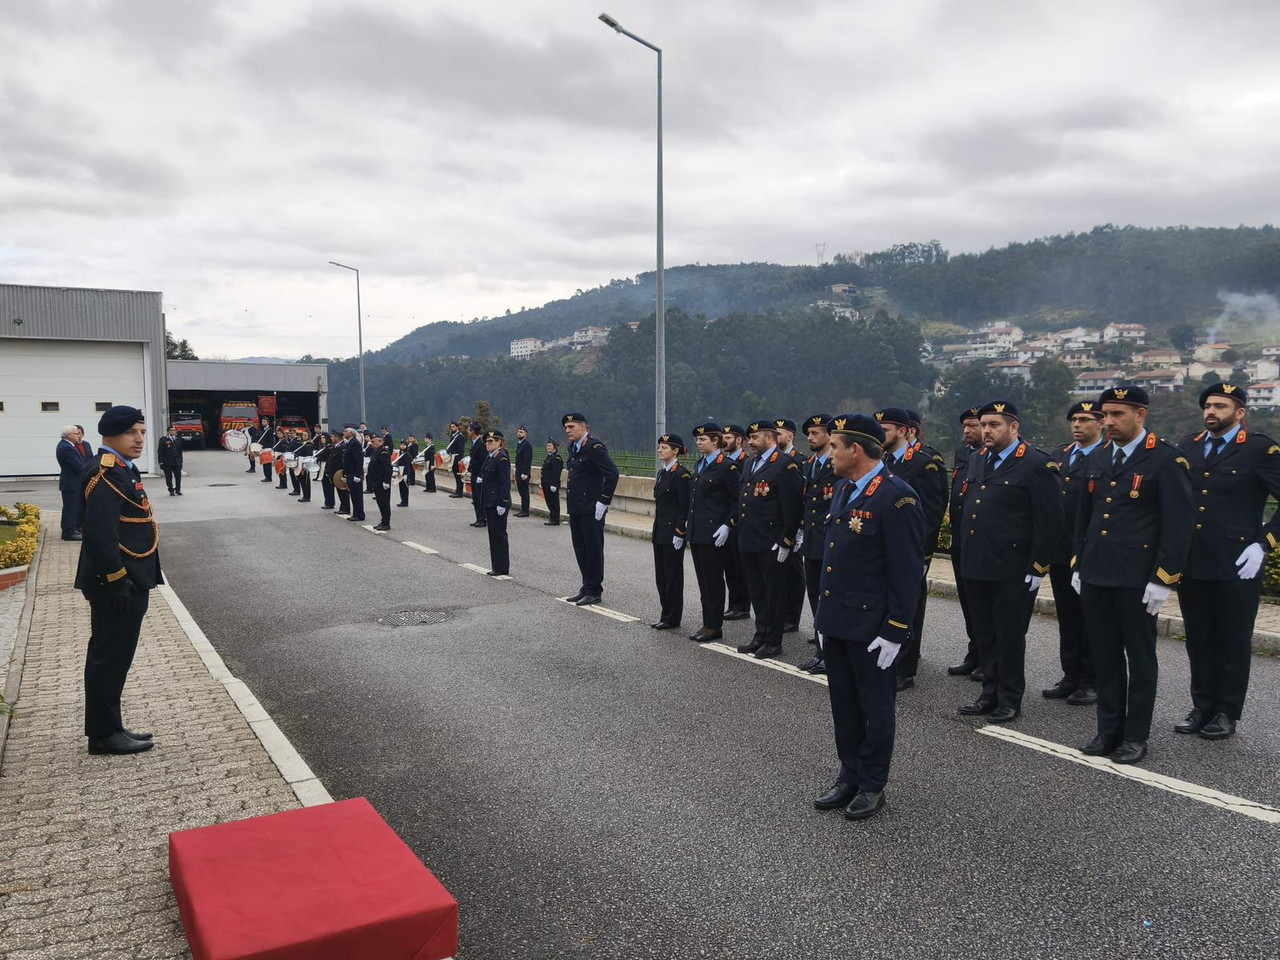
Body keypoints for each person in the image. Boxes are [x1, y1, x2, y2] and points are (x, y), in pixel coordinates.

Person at [812, 413, 924, 822]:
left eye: (836, 447)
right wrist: (824, 622)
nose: (831, 454)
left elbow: (907, 571)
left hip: (873, 628)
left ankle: (873, 782)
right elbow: (834, 563)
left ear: (855, 450)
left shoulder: (897, 497)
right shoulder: (844, 489)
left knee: (875, 709)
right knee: (843, 705)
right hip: (839, 622)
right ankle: (849, 775)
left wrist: (896, 630)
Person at [1073, 386, 1193, 765]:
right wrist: (1078, 562)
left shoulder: (1165, 459)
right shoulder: (1099, 456)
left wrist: (1164, 577)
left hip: (1138, 580)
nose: (1109, 422)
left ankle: (1135, 737)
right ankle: (1108, 730)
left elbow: (1179, 523)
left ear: (1140, 415)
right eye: (1106, 415)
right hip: (1097, 574)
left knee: (1140, 660)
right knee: (1105, 657)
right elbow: (1084, 516)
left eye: (1117, 415)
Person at [1174, 383, 1280, 741]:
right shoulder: (1187, 447)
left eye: (1220, 405)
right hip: (1194, 560)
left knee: (1233, 641)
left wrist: (1263, 543)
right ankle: (1201, 706)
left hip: (1238, 563)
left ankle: (1225, 712)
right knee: (1199, 639)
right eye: (1207, 405)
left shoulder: (1260, 449)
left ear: (1240, 412)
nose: (1211, 411)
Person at [956, 401, 1062, 724]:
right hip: (977, 564)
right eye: (984, 424)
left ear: (1014, 428)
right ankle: (989, 692)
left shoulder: (1036, 464)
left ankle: (1010, 698)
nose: (986, 430)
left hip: (1012, 569)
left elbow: (1051, 520)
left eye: (994, 425)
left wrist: (1038, 566)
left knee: (1009, 636)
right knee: (985, 635)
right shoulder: (977, 459)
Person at [75, 405, 162, 755]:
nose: (139, 439)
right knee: (108, 659)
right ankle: (103, 734)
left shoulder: (122, 468)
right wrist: (116, 579)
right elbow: (100, 533)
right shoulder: (106, 472)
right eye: (132, 433)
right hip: (116, 583)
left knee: (115, 658)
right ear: (109, 436)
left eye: (142, 431)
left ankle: (111, 726)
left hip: (128, 580)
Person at [875, 408, 948, 691]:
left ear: (904, 432)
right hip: (883, 550)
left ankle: (904, 669)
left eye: (886, 429)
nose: (880, 435)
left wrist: (924, 556)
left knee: (909, 607)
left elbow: (930, 517)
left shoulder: (922, 465)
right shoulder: (880, 461)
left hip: (912, 552)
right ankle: (887, 658)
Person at [1044, 402, 1104, 705]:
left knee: (1090, 619)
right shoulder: (1061, 455)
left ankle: (1091, 680)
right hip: (1061, 551)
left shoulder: (1106, 456)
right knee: (1067, 618)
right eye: (1073, 420)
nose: (1076, 425)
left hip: (1092, 553)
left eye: (1084, 419)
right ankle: (1071, 675)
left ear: (1101, 423)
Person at [734, 419, 803, 660]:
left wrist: (787, 540)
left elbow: (793, 506)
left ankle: (773, 641)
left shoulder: (785, 465)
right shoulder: (750, 463)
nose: (750, 442)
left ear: (770, 438)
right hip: (749, 540)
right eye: (749, 438)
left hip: (771, 542)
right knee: (757, 592)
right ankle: (760, 635)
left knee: (774, 593)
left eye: (755, 438)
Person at [686, 422, 741, 642]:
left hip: (715, 534)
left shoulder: (727, 467)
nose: (699, 443)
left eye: (703, 439)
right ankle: (707, 621)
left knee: (713, 581)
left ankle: (714, 626)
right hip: (698, 532)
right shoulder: (700, 465)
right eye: (697, 440)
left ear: (715, 441)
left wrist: (728, 524)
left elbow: (738, 499)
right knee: (703, 581)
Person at [562, 413, 620, 606]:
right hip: (576, 507)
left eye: (571, 426)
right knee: (580, 548)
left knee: (593, 549)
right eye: (566, 427)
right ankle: (586, 586)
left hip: (591, 508)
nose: (568, 430)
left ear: (584, 427)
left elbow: (612, 473)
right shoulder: (573, 447)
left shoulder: (594, 448)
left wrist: (603, 501)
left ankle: (595, 590)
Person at [947, 407, 985, 680]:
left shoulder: (992, 458)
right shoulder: (963, 454)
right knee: (969, 602)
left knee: (985, 606)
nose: (967, 431)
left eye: (973, 426)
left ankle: (989, 659)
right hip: (961, 540)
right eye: (965, 426)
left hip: (984, 542)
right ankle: (975, 653)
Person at [797, 414, 835, 674]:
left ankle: (830, 655)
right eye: (808, 433)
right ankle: (820, 650)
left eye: (815, 433)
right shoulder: (810, 464)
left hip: (829, 544)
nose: (810, 438)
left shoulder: (836, 465)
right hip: (811, 542)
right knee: (815, 599)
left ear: (830, 436)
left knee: (829, 601)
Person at [650, 434, 692, 630]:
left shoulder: (681, 474)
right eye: (659, 447)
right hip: (660, 531)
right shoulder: (662, 473)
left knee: (673, 577)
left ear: (675, 451)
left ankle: (673, 617)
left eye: (665, 447)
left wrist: (679, 531)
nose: (660, 450)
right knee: (662, 577)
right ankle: (665, 613)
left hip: (673, 533)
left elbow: (685, 505)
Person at [775, 418, 807, 634]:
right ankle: (778, 613)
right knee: (777, 573)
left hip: (794, 527)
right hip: (776, 525)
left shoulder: (801, 461)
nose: (776, 438)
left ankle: (792, 618)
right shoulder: (773, 461)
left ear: (790, 436)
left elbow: (802, 497)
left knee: (794, 573)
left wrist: (800, 528)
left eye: (779, 433)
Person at [719, 423, 753, 621]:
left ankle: (742, 606)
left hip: (739, 521)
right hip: (723, 520)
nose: (725, 441)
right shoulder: (722, 461)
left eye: (729, 438)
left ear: (739, 440)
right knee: (728, 566)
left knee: (740, 566)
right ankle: (733, 604)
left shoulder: (745, 461)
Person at [480, 430, 512, 575]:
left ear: (499, 442)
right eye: (487, 441)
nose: (488, 444)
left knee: (499, 535)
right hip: (489, 501)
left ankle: (502, 567)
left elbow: (505, 483)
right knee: (493, 535)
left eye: (491, 441)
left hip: (498, 502)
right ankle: (496, 566)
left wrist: (503, 502)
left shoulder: (502, 458)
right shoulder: (490, 457)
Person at [56, 425, 89, 540]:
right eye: (76, 433)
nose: (79, 435)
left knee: (71, 507)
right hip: (71, 483)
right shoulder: (66, 448)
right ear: (69, 436)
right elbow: (79, 466)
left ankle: (70, 529)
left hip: (72, 483)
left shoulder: (68, 446)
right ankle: (69, 532)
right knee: (71, 508)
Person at [367, 433, 393, 530]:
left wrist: (386, 481)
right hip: (376, 481)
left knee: (384, 503)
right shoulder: (376, 451)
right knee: (380, 502)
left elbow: (387, 467)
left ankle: (386, 523)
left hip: (382, 482)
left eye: (373, 441)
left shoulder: (383, 452)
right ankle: (383, 521)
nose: (371, 443)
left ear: (380, 441)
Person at [342, 426, 366, 522]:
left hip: (354, 473)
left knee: (357, 495)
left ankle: (359, 514)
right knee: (353, 495)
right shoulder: (350, 443)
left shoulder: (355, 443)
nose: (344, 433)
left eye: (345, 431)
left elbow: (359, 460)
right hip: (350, 472)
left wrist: (357, 474)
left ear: (351, 433)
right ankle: (356, 513)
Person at [468, 422, 487, 527]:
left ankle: (482, 519)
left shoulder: (481, 443)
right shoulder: (474, 442)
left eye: (469, 430)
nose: (467, 432)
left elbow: (483, 461)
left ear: (473, 432)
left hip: (479, 475)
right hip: (474, 473)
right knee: (475, 497)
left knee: (480, 498)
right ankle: (478, 518)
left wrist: (481, 476)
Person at [542, 438, 564, 525]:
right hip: (546, 483)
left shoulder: (556, 458)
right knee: (549, 501)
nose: (548, 447)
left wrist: (554, 484)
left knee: (553, 501)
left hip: (551, 483)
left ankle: (555, 518)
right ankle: (552, 517)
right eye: (547, 445)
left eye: (550, 446)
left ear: (554, 447)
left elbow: (556, 472)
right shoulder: (549, 456)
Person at [158, 424, 184, 496]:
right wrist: (161, 462)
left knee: (178, 476)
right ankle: (171, 489)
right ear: (168, 431)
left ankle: (178, 489)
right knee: (168, 477)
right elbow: (160, 451)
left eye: (174, 430)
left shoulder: (178, 440)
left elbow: (180, 452)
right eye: (172, 430)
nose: (174, 431)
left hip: (177, 462)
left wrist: (181, 462)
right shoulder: (163, 440)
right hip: (167, 462)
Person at [515, 426, 534, 517]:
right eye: (518, 432)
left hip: (523, 473)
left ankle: (525, 510)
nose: (519, 433)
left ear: (526, 434)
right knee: (521, 491)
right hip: (518, 471)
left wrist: (525, 473)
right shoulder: (519, 444)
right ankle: (522, 509)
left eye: (521, 432)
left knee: (524, 492)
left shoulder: (527, 445)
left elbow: (527, 460)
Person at [315, 433, 337, 509]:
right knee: (325, 485)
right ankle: (327, 502)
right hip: (322, 466)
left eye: (324, 438)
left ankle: (330, 503)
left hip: (327, 467)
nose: (322, 439)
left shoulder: (330, 447)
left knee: (328, 486)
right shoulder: (323, 447)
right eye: (321, 438)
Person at [445, 422, 466, 497]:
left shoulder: (460, 437)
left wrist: (459, 460)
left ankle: (459, 492)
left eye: (453, 427)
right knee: (456, 476)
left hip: (457, 458)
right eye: (451, 427)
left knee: (458, 476)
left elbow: (461, 449)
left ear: (457, 427)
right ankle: (457, 491)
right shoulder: (454, 436)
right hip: (453, 457)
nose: (451, 428)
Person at [294, 430, 314, 503]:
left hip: (304, 464)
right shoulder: (303, 444)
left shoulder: (309, 444)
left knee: (305, 481)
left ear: (309, 436)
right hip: (300, 462)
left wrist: (304, 466)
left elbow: (308, 456)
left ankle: (307, 496)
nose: (304, 436)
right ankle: (304, 495)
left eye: (305, 435)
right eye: (303, 435)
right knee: (301, 480)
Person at [397, 442, 412, 508]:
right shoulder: (400, 453)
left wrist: (406, 474)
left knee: (405, 488)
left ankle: (405, 501)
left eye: (404, 445)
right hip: (400, 471)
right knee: (401, 487)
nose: (402, 446)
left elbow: (407, 465)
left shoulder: (407, 454)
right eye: (401, 445)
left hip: (405, 472)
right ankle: (402, 500)